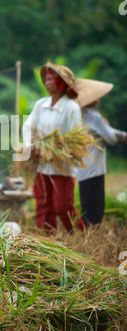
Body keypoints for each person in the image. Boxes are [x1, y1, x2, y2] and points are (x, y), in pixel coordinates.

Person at [22, 61, 85, 234]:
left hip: (61, 167)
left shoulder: (71, 108)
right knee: (43, 206)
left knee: (62, 207)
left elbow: (76, 137)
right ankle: (47, 240)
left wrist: (55, 151)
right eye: (46, 80)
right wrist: (30, 146)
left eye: (50, 79)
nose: (46, 83)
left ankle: (80, 235)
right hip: (41, 164)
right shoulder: (40, 104)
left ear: (61, 83)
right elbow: (28, 127)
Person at [74, 78, 127, 226]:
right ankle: (90, 237)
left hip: (82, 169)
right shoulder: (94, 116)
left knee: (87, 206)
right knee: (96, 208)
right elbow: (110, 138)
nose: (98, 99)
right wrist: (107, 125)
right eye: (95, 96)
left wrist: (121, 135)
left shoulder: (78, 114)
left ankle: (87, 235)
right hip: (95, 170)